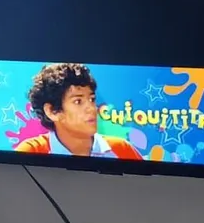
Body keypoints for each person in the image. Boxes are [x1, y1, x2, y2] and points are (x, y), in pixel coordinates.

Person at [13, 63, 142, 160]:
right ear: (52, 111)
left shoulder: (121, 149)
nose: (92, 108)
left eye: (92, 99)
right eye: (78, 101)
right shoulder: (30, 151)